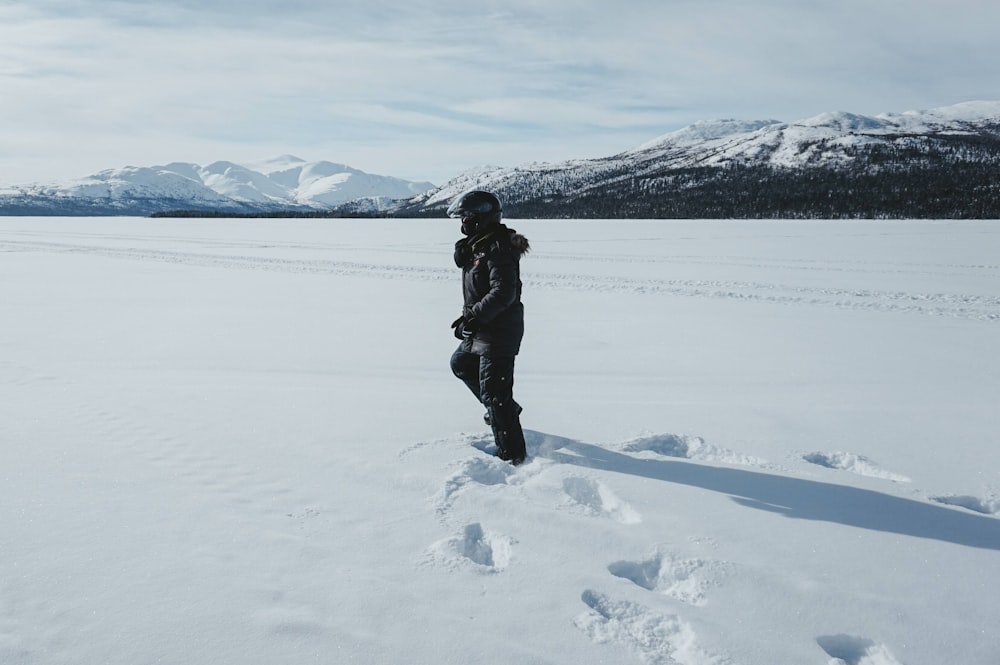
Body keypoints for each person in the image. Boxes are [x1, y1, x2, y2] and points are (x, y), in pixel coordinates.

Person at [447, 190, 530, 465]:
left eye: (468, 216)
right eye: (462, 217)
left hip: (499, 330)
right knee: (461, 364)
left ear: (482, 217)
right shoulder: (479, 246)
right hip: (484, 326)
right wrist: (469, 317)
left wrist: (475, 318)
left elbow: (503, 291)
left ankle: (513, 457)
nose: (464, 221)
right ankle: (504, 410)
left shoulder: (498, 248)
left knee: (496, 394)